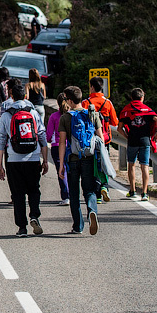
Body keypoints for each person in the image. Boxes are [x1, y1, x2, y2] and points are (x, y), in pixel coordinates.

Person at [0, 79, 49, 236]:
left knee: (18, 194)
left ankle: (22, 227)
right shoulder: (33, 113)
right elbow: (42, 136)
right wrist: (45, 160)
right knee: (34, 190)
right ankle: (34, 216)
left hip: (13, 160)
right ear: (25, 96)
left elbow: (1, 140)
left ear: (12, 96)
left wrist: (0, 165)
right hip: (33, 158)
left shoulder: (6, 115)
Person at [59, 85, 100, 235]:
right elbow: (100, 138)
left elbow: (62, 142)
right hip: (89, 158)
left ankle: (78, 226)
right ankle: (91, 210)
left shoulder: (65, 117)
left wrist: (61, 165)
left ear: (69, 100)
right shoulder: (92, 114)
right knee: (89, 190)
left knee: (74, 193)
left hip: (73, 160)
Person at [118, 88, 157, 201]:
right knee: (145, 165)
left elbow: (119, 128)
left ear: (132, 98)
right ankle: (145, 193)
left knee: (131, 165)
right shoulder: (147, 110)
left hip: (132, 141)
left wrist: (127, 136)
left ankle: (132, 191)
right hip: (145, 140)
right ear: (142, 97)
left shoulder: (127, 109)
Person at [82, 77, 119, 203]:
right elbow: (115, 122)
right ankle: (105, 187)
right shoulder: (107, 103)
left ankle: (97, 194)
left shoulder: (86, 102)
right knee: (104, 163)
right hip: (105, 139)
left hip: (90, 139)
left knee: (93, 166)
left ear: (92, 87)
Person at [47, 93, 69, 205]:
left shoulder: (54, 116)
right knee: (71, 171)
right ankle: (73, 194)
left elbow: (48, 135)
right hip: (70, 147)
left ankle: (66, 196)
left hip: (56, 146)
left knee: (61, 171)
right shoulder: (72, 115)